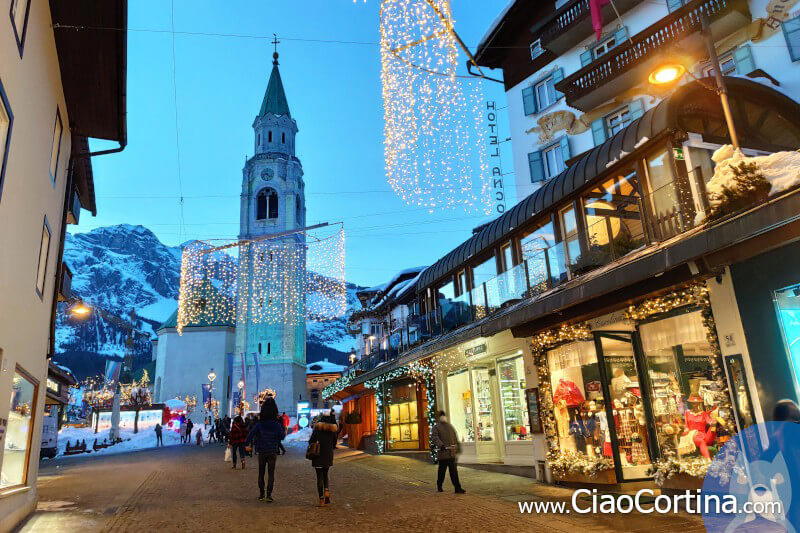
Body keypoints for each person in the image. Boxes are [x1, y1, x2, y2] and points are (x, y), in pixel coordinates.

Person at [245, 398, 286, 502]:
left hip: (262, 450)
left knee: (261, 473)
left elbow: (250, 435)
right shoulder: (276, 424)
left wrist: (248, 445)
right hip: (272, 450)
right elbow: (282, 436)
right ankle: (269, 495)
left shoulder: (259, 424)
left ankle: (261, 494)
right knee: (271, 473)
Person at [308, 410, 339, 507]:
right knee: (325, 475)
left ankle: (321, 499)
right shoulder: (332, 430)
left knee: (319, 477)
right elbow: (334, 443)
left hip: (317, 455)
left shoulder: (317, 428)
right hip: (328, 455)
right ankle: (327, 492)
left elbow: (311, 441)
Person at [431, 410, 465, 494]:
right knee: (443, 471)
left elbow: (455, 438)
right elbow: (435, 437)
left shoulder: (447, 426)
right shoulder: (439, 427)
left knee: (452, 471)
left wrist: (457, 448)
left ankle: (457, 487)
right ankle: (441, 485)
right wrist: (441, 445)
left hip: (450, 453)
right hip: (444, 453)